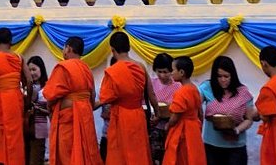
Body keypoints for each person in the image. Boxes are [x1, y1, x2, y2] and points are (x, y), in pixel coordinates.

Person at [99, 31, 157, 165]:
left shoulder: (113, 71)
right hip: (138, 115)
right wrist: (157, 113)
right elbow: (151, 93)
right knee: (138, 152)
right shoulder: (140, 66)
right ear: (129, 47)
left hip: (120, 116)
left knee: (120, 154)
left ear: (112, 50)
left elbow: (105, 97)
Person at [43, 36, 102, 165]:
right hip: (85, 116)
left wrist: (49, 108)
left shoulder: (63, 66)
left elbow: (51, 95)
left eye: (63, 48)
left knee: (67, 155)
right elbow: (91, 97)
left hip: (68, 118)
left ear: (68, 48)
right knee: (85, 153)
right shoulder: (87, 69)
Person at [0, 27, 30, 165]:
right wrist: (27, 100)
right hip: (16, 100)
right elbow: (29, 80)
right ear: (11, 41)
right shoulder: (19, 58)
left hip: (0, 102)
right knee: (15, 136)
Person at [198, 55, 257, 165]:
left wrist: (236, 130)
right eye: (219, 76)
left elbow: (249, 119)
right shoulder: (207, 87)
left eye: (226, 76)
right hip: (212, 145)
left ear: (232, 76)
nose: (223, 80)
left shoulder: (243, 92)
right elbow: (194, 102)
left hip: (235, 147)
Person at [163, 56, 206, 165]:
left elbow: (175, 116)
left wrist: (168, 125)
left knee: (181, 158)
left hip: (183, 130)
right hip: (194, 129)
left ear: (181, 72)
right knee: (193, 157)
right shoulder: (194, 88)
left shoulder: (181, 92)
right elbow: (200, 112)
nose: (171, 73)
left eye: (173, 70)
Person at [150, 53, 181, 164]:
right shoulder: (151, 83)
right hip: (154, 127)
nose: (162, 75)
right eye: (159, 72)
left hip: (171, 127)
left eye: (165, 72)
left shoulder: (178, 86)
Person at [26, 56, 49, 165]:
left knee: (35, 161)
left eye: (34, 69)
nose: (31, 73)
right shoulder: (25, 87)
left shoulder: (48, 88)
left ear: (41, 69)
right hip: (25, 130)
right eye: (29, 70)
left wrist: (37, 108)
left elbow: (52, 110)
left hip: (40, 131)